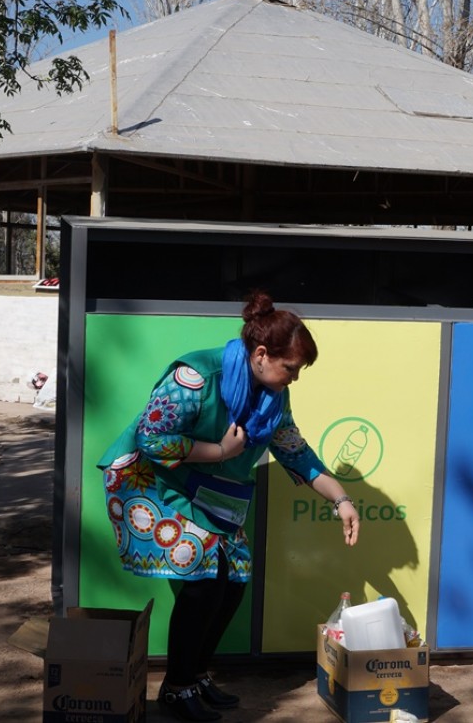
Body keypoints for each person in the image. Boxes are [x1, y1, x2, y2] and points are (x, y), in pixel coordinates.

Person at [97, 291, 361, 722]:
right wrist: (220, 451)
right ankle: (176, 688)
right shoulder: (196, 376)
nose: (293, 378)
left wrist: (342, 500)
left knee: (233, 580)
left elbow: (296, 452)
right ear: (261, 354)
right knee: (203, 580)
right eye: (290, 368)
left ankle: (195, 675)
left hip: (207, 491)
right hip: (150, 482)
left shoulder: (274, 398)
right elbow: (152, 437)